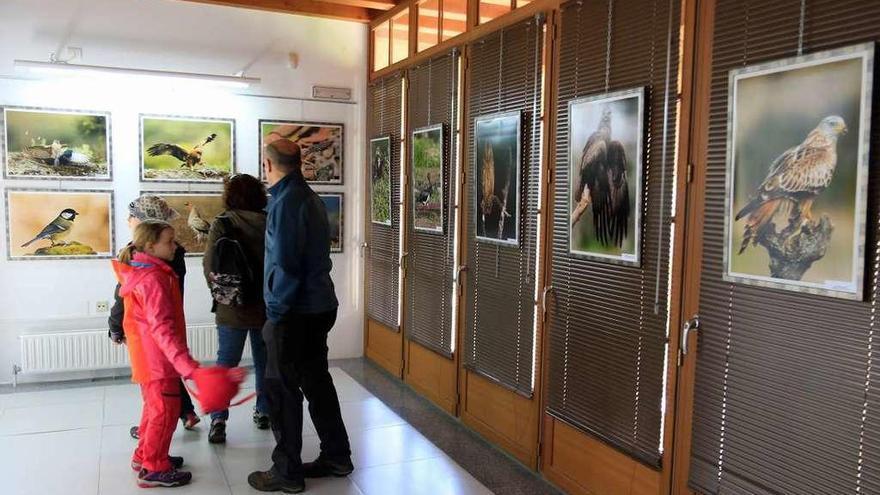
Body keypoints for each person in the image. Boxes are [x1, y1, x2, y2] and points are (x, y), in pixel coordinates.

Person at [247, 139, 352, 494]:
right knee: (317, 383)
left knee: (282, 389)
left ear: (267, 165)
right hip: (319, 305)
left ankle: (287, 472)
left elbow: (286, 265)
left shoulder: (286, 202)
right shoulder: (308, 196)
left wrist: (274, 315)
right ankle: (337, 456)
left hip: (295, 312)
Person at [111, 220, 202, 488]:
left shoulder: (147, 271)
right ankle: (154, 468)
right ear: (151, 246)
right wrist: (184, 362)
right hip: (158, 359)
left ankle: (145, 455)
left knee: (154, 409)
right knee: (164, 411)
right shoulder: (153, 279)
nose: (175, 246)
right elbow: (162, 327)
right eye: (169, 241)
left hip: (149, 357)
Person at [203, 174, 270, 444]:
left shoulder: (223, 222)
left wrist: (221, 296)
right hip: (265, 305)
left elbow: (210, 266)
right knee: (265, 363)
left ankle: (218, 419)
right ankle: (264, 411)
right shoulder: (269, 222)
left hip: (231, 306)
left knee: (225, 363)